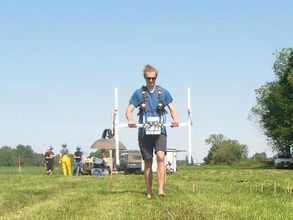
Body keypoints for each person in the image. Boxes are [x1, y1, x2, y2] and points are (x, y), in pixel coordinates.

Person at [126, 64, 179, 199]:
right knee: (148, 161)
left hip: (160, 131)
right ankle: (149, 190)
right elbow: (128, 110)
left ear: (156, 78)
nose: (151, 81)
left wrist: (175, 118)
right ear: (145, 78)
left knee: (161, 157)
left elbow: (172, 108)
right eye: (149, 78)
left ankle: (161, 189)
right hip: (144, 133)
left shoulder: (163, 92)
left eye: (153, 78)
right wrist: (130, 119)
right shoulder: (138, 93)